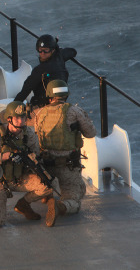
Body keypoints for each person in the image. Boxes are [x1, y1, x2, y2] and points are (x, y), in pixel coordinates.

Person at [0, 101, 59, 228]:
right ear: (9, 119)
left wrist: (33, 162)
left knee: (49, 184)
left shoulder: (28, 135)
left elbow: (36, 156)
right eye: (17, 118)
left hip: (19, 178)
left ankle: (23, 204)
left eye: (24, 117)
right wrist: (5, 156)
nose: (21, 121)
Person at [34, 79, 96, 220]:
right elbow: (91, 133)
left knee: (74, 187)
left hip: (47, 167)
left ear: (49, 95)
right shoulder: (74, 111)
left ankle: (47, 196)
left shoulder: (40, 113)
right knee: (75, 200)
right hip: (68, 167)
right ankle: (60, 206)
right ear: (66, 95)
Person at [13, 34, 77, 122]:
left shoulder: (40, 70)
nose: (42, 53)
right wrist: (56, 47)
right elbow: (73, 51)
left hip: (42, 110)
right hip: (61, 106)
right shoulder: (60, 57)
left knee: (4, 116)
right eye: (40, 50)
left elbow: (25, 91)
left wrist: (12, 108)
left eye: (46, 50)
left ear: (52, 50)